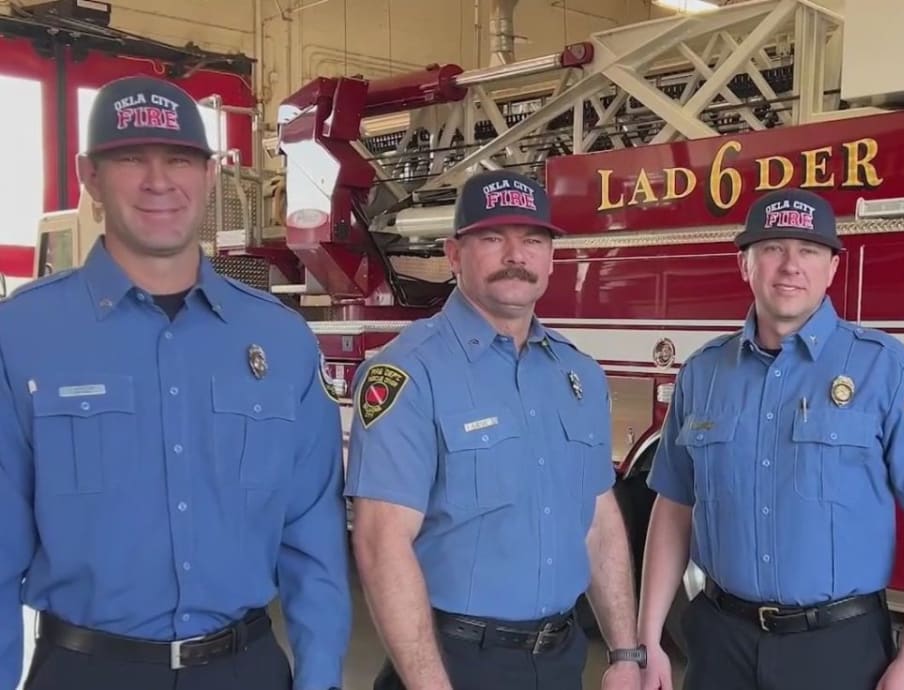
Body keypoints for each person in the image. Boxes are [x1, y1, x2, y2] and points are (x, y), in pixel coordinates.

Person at [0, 75, 351, 690]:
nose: (159, 181)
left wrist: (319, 678)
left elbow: (313, 540)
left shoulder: (282, 340)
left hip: (247, 669)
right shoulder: (22, 336)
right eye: (130, 158)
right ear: (89, 176)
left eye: (181, 159)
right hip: (86, 672)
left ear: (210, 175)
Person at [637, 188, 904, 690]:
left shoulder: (885, 368)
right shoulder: (703, 374)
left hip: (838, 649)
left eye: (809, 250)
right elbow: (674, 508)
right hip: (720, 643)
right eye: (773, 248)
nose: (791, 265)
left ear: (833, 268)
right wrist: (646, 638)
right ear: (744, 264)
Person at [344, 168, 643, 690]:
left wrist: (624, 652)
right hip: (454, 662)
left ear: (550, 258)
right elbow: (381, 542)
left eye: (532, 240)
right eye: (492, 238)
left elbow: (598, 520)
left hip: (560, 660)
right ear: (454, 254)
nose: (515, 256)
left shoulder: (579, 375)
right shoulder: (409, 373)